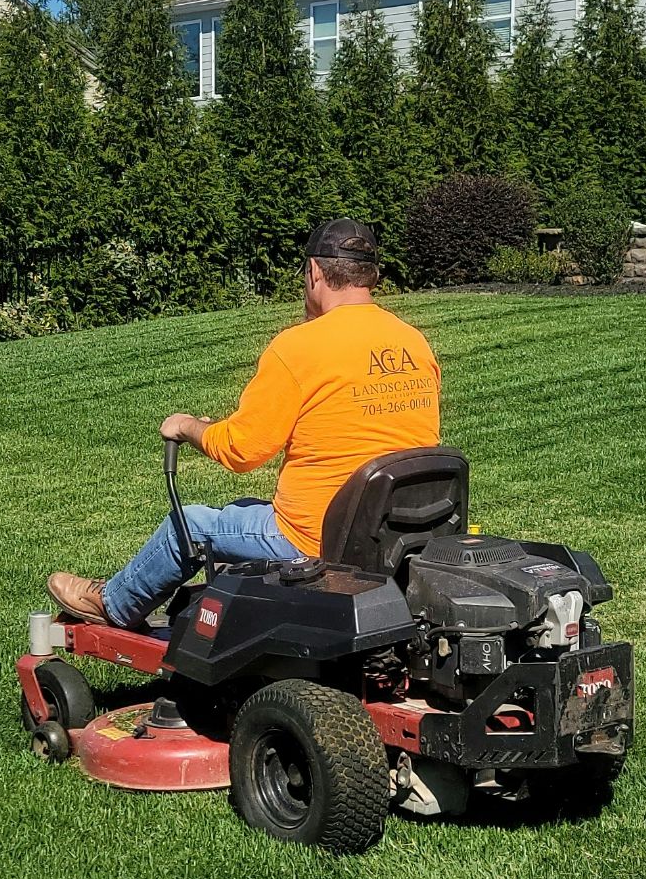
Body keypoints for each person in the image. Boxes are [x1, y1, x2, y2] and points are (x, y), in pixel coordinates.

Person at [47, 219, 442, 628]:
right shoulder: (412, 341)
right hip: (391, 536)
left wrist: (187, 427)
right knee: (241, 512)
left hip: (312, 538)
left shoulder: (299, 346)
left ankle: (114, 603)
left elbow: (243, 450)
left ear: (314, 273)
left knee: (191, 524)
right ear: (371, 275)